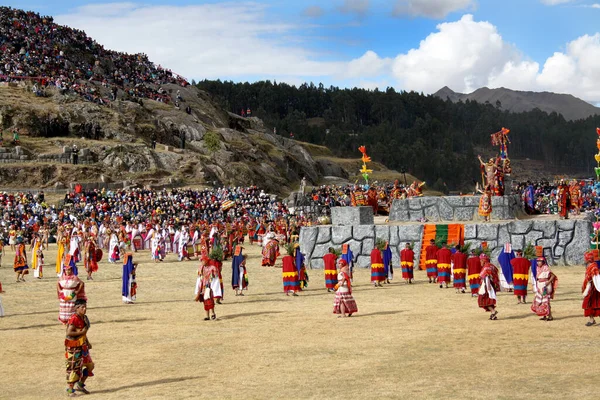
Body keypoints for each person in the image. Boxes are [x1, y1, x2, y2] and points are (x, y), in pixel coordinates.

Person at [65, 299, 95, 396]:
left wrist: (87, 342)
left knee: (90, 366)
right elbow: (69, 332)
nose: (85, 309)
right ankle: (70, 390)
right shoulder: (74, 318)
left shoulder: (84, 318)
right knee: (75, 369)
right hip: (74, 347)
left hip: (83, 346)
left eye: (85, 307)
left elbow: (84, 333)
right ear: (77, 308)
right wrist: (81, 332)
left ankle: (80, 385)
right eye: (82, 307)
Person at [57, 259, 86, 324]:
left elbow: (81, 283)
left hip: (72, 294)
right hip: (64, 294)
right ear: (65, 270)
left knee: (71, 308)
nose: (68, 271)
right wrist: (60, 290)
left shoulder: (75, 277)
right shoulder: (62, 277)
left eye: (69, 270)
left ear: (71, 270)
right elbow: (57, 283)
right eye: (66, 270)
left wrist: (77, 291)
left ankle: (71, 321)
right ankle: (64, 321)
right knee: (63, 307)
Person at [531, 257, 558, 321]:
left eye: (539, 261)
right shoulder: (537, 268)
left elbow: (553, 276)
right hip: (540, 285)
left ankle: (550, 316)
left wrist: (548, 282)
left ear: (543, 262)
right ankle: (544, 315)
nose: (538, 262)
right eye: (537, 261)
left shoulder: (546, 268)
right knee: (541, 301)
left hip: (546, 286)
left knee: (546, 301)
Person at [478, 254, 500, 320]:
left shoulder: (486, 267)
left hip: (487, 286)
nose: (480, 262)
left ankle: (493, 311)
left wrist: (488, 286)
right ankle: (493, 315)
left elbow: (486, 277)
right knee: (489, 299)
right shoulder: (492, 266)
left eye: (481, 260)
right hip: (492, 285)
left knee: (484, 300)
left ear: (484, 260)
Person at [582, 251, 600, 326]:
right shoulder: (589, 266)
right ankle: (591, 320)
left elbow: (596, 278)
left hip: (593, 289)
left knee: (594, 303)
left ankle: (592, 319)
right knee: (589, 304)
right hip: (589, 287)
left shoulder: (594, 267)